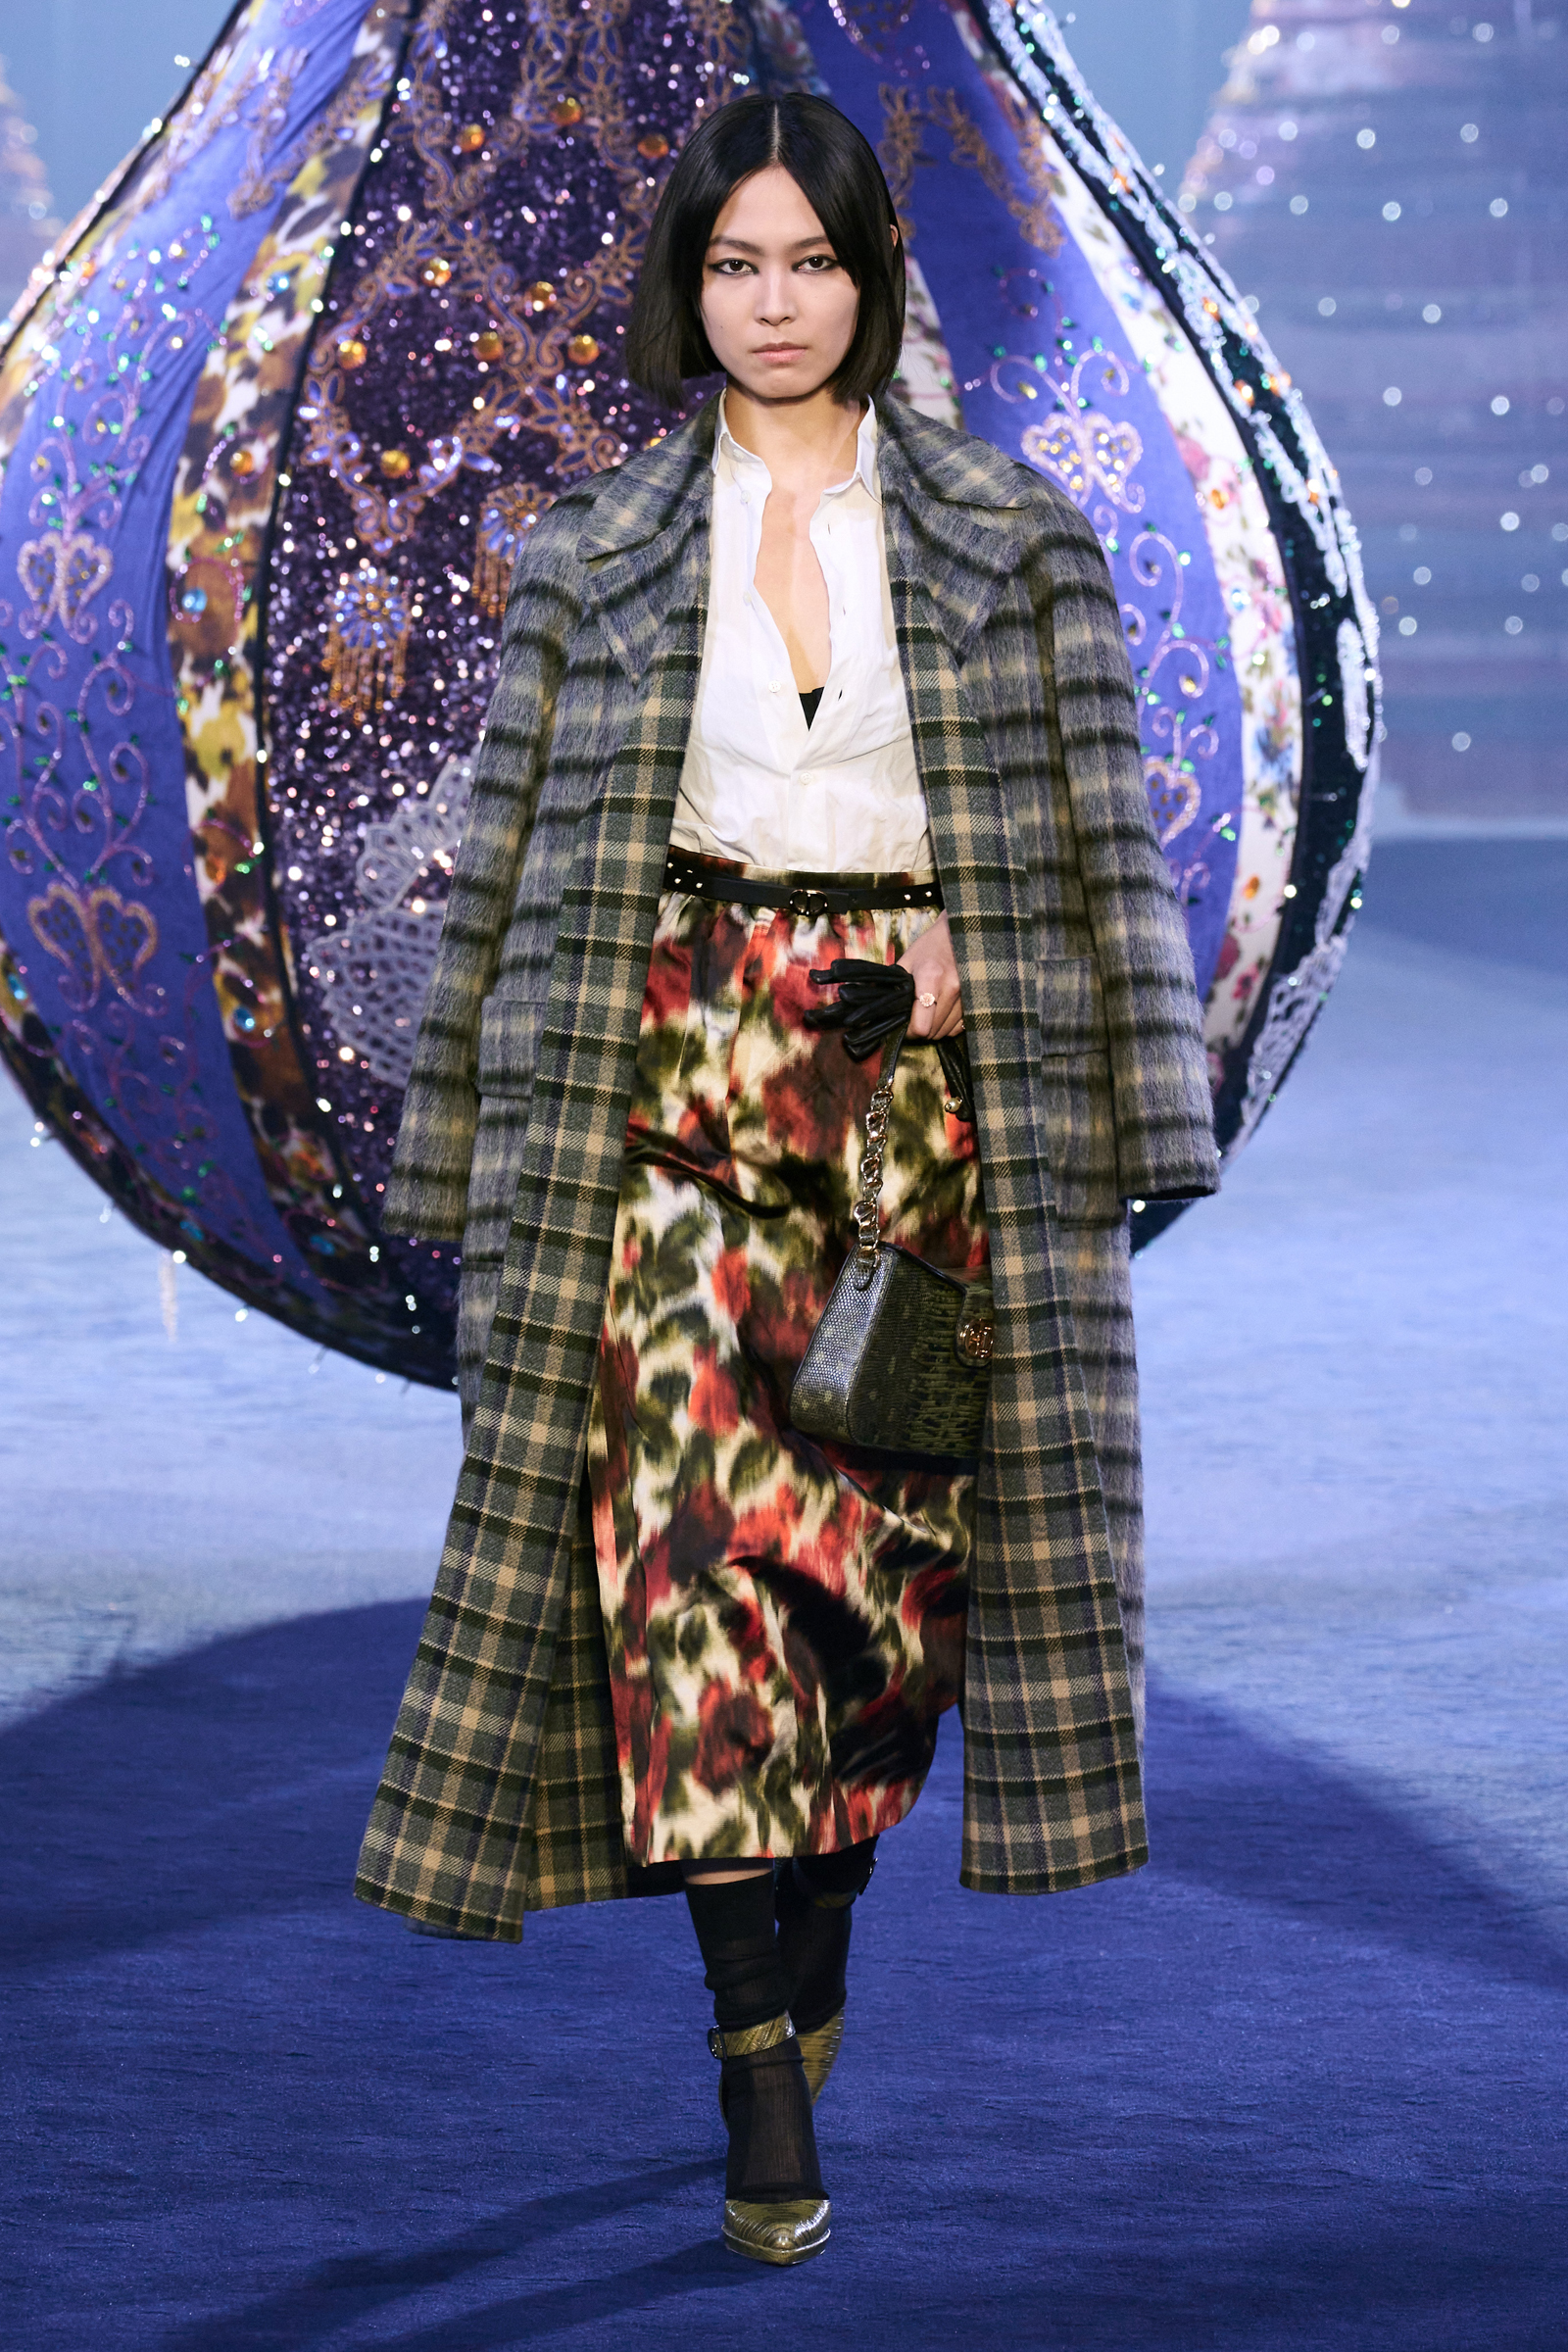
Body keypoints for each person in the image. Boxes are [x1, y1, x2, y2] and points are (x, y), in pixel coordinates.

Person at [355, 92, 1218, 2267]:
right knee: (690, 1581)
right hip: (672, 1098)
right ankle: (754, 2056)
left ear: (869, 278)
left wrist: (975, 974)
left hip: (913, 1117)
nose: (772, 303)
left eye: (809, 263)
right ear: (689, 283)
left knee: (877, 1609)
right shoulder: (595, 553)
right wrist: (469, 1125)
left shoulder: (1013, 541)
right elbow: (513, 866)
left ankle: (815, 1927)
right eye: (735, 264)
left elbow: (1099, 857)